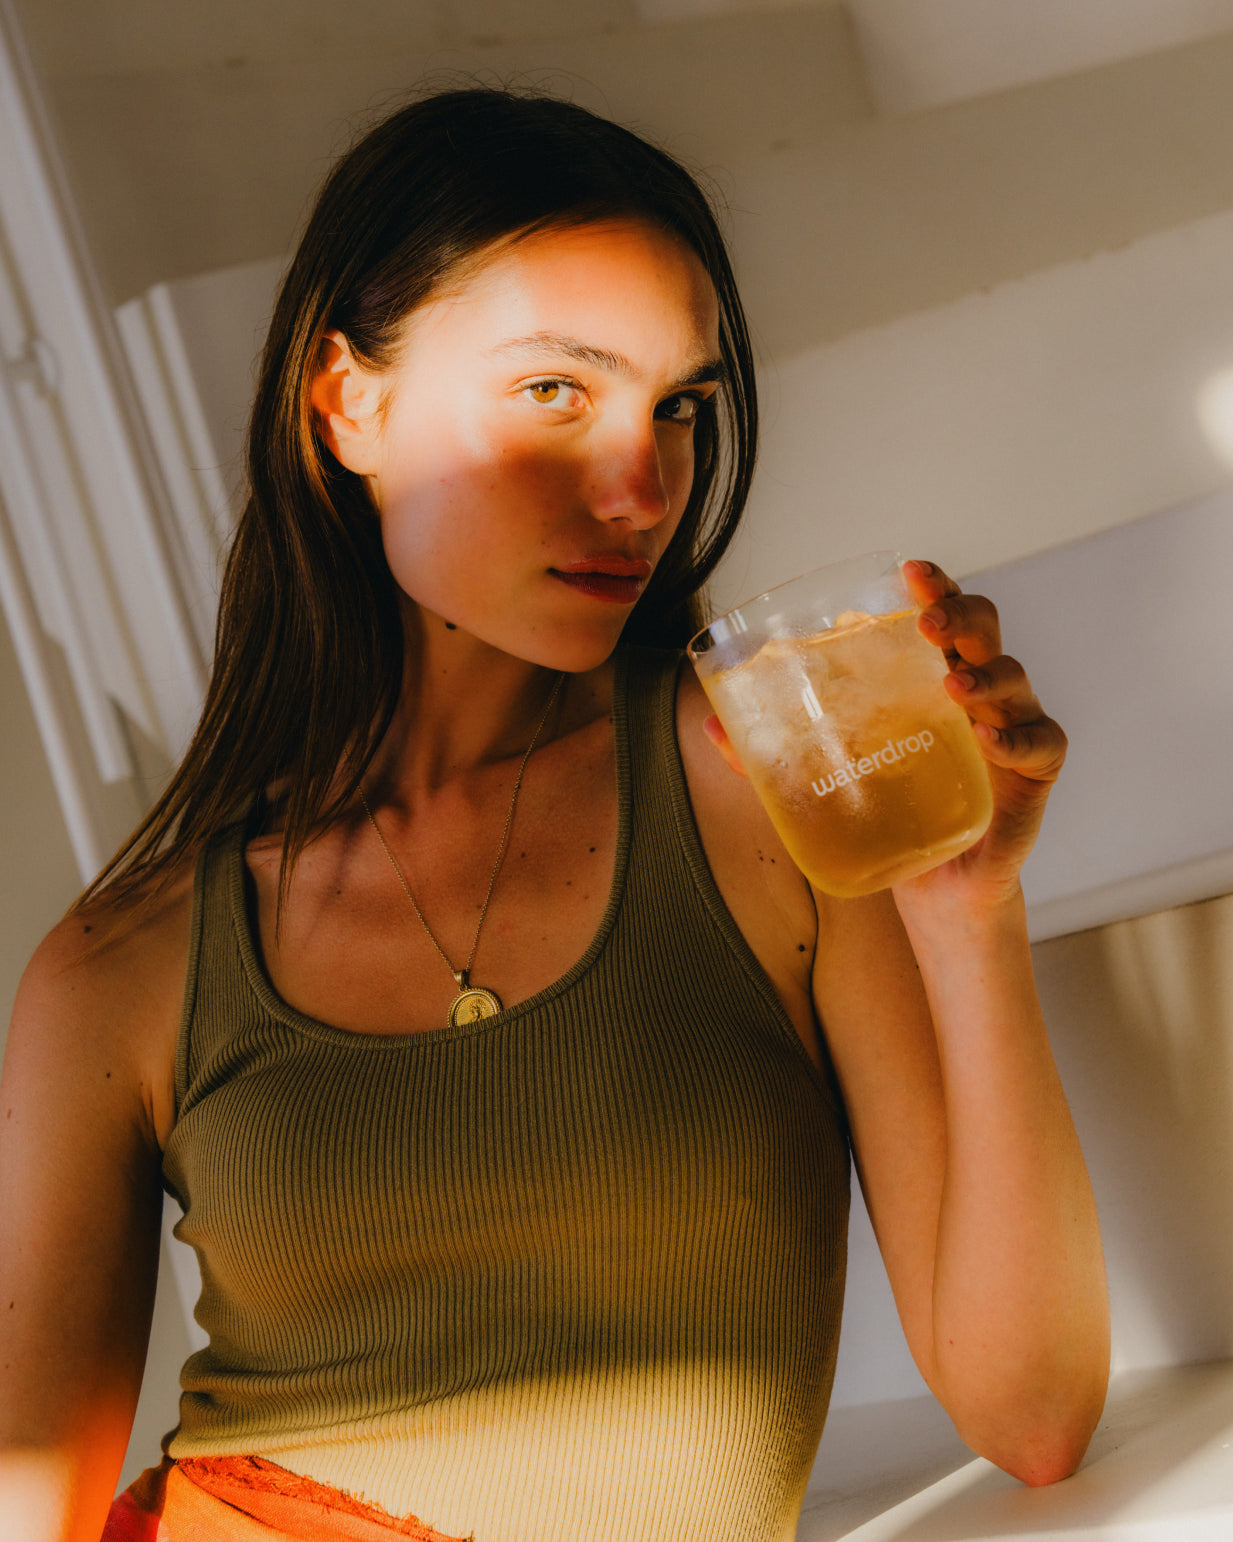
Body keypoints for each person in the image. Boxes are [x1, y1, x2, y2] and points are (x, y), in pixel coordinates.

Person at [0, 87, 1109, 1542]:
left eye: (679, 408)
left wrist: (966, 908)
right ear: (352, 402)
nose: (640, 486)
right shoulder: (125, 964)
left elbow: (1028, 1415)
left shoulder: (769, 785)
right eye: (553, 393)